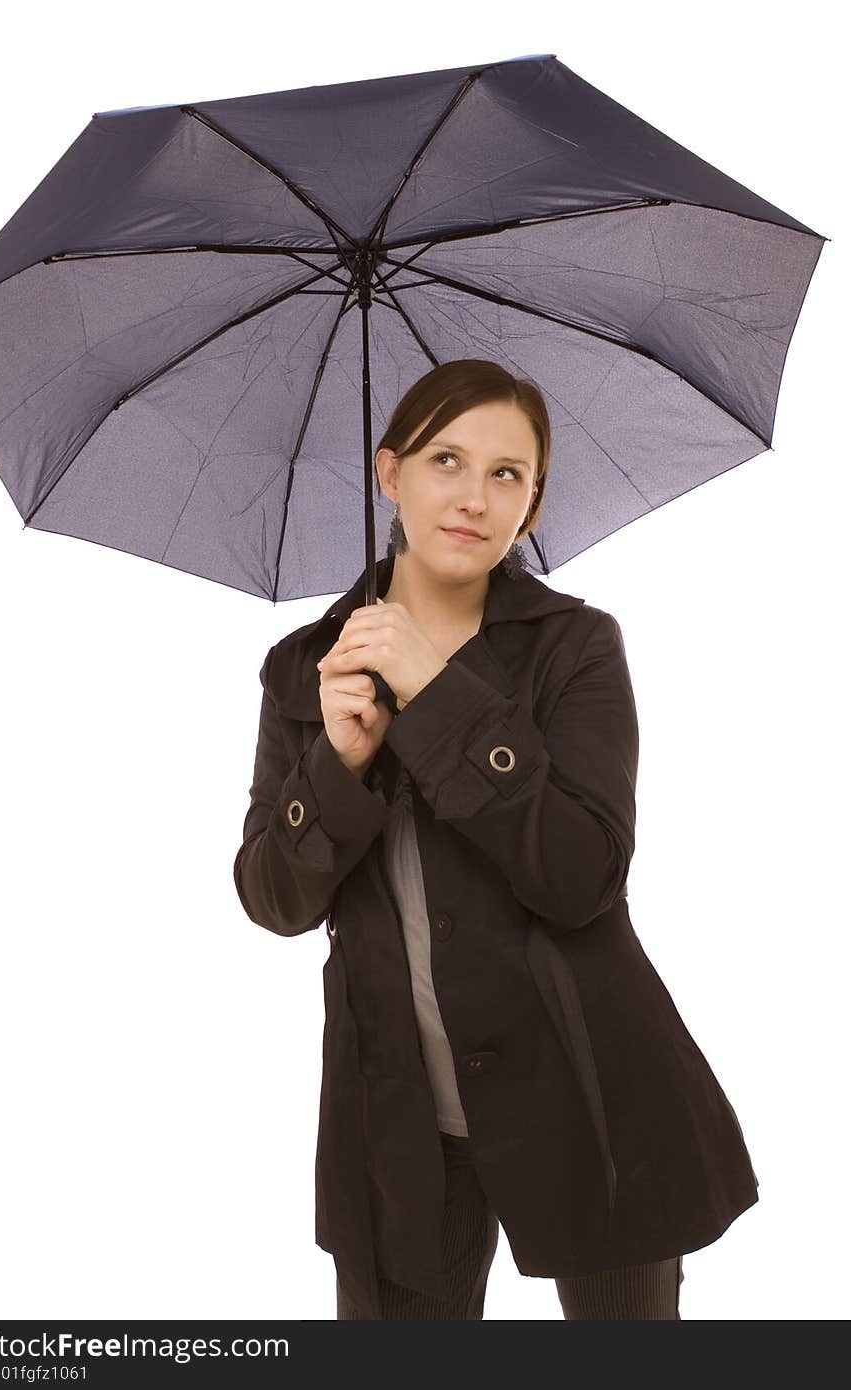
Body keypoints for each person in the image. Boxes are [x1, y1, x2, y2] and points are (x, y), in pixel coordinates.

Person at [233, 359, 759, 1320]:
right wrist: (336, 768)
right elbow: (275, 899)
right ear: (390, 475)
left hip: (592, 1098)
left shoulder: (575, 648)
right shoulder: (307, 670)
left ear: (533, 502)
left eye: (509, 475)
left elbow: (581, 875)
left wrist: (435, 695)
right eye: (446, 460)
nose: (475, 498)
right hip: (393, 1122)